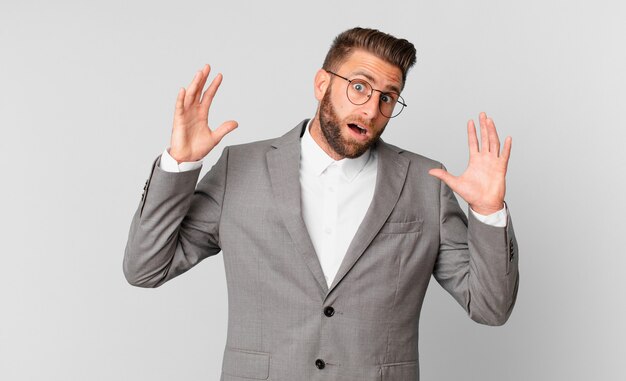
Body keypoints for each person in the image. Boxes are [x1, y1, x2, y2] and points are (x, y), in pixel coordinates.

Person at [124, 27, 519, 381]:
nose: (371, 109)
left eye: (388, 97)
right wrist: (180, 165)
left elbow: (490, 307)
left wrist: (488, 211)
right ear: (321, 84)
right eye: (360, 86)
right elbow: (146, 268)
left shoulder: (425, 183)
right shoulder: (239, 170)